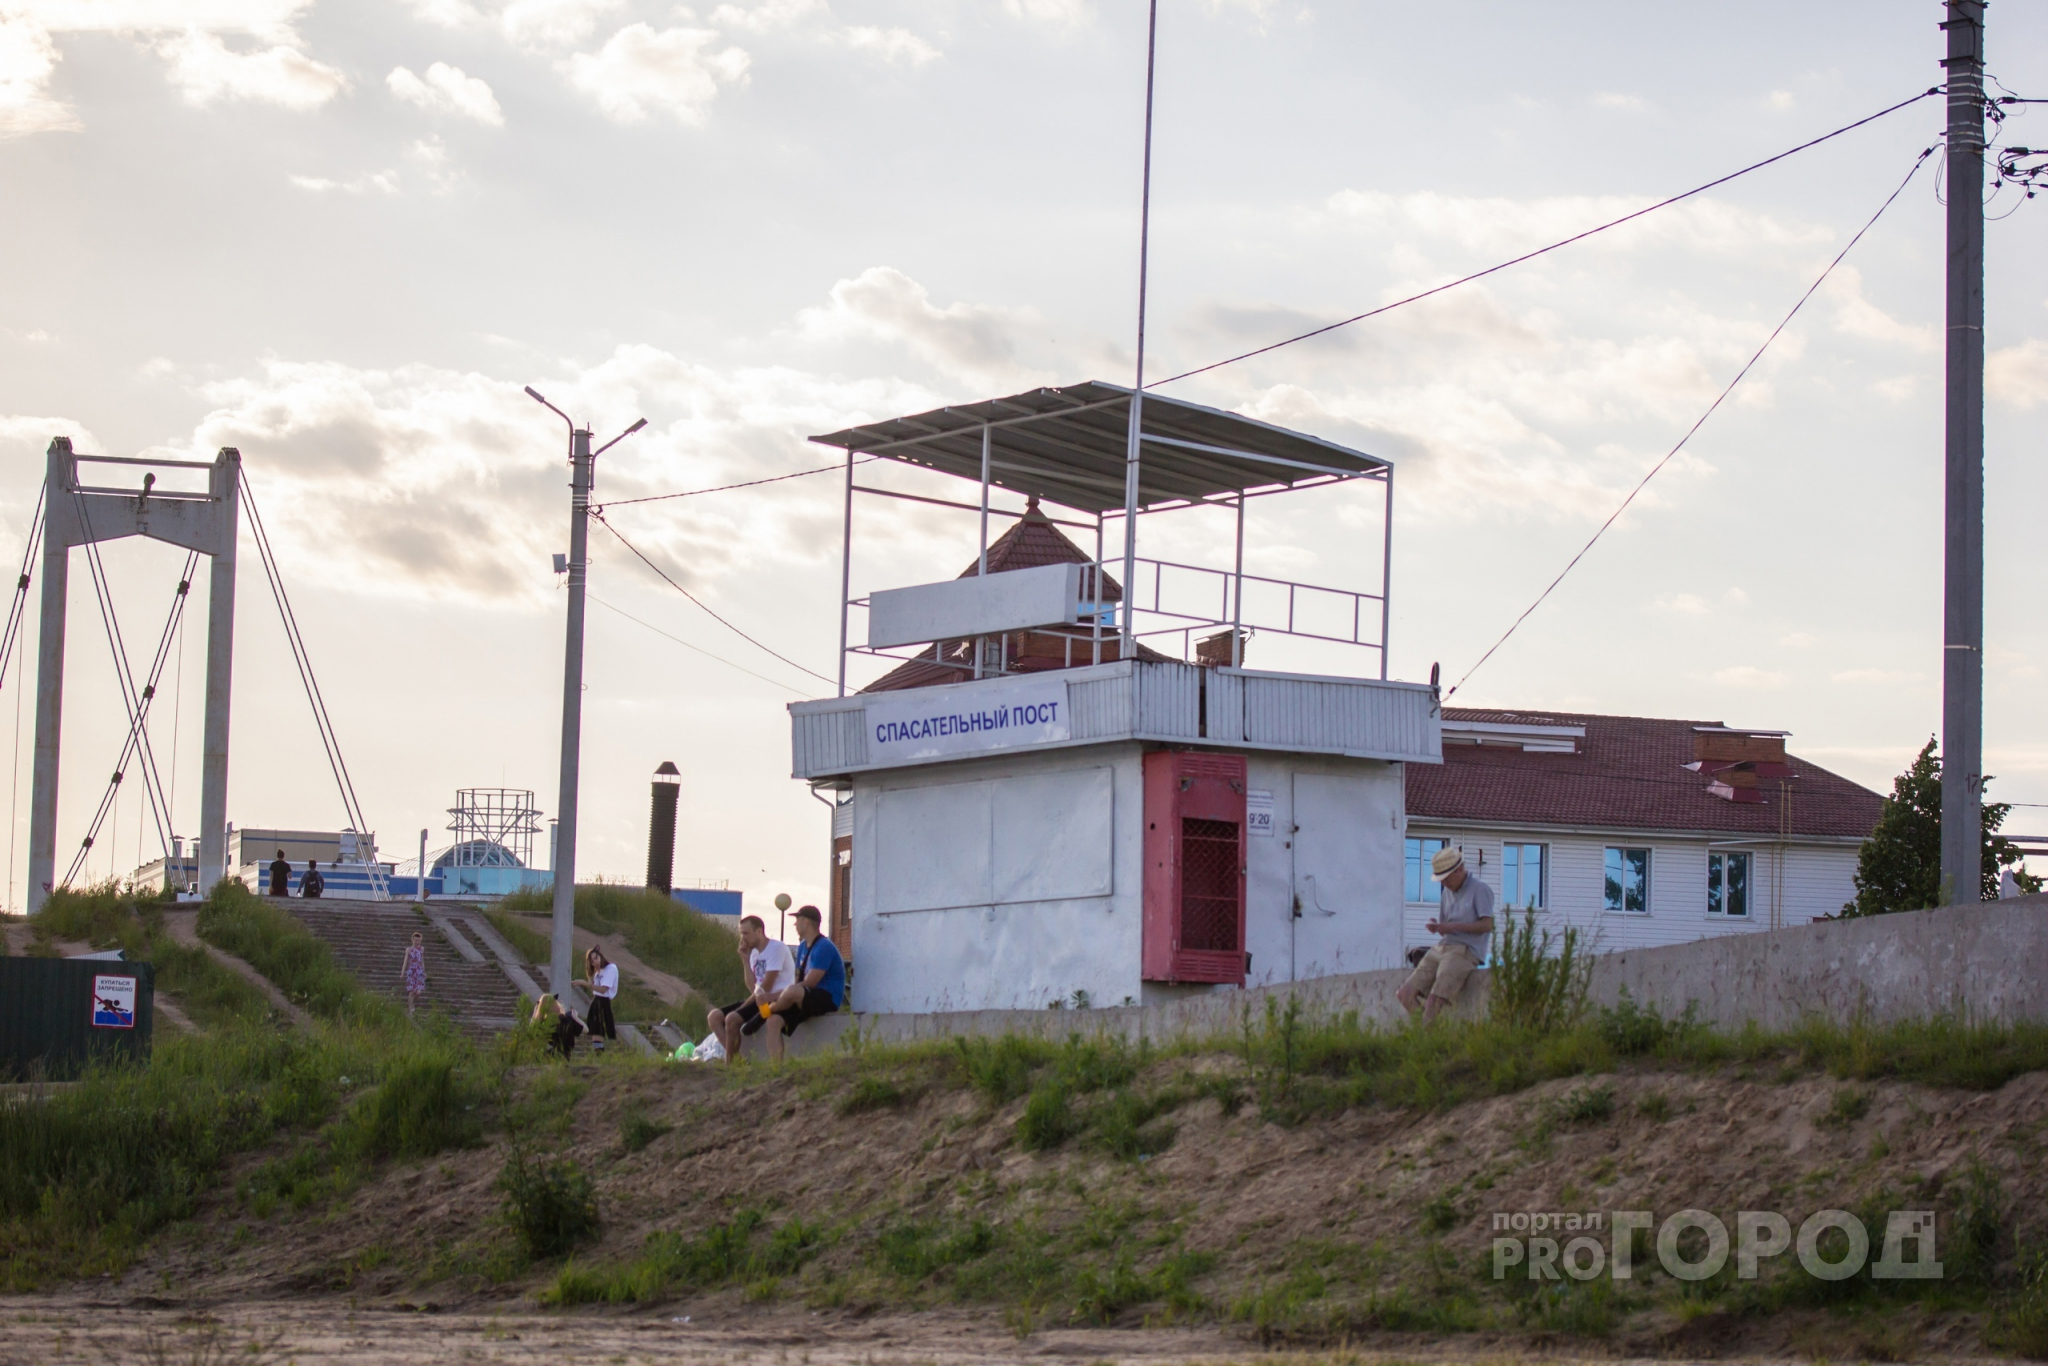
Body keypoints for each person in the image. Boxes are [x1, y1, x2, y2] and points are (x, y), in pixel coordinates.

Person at [1396, 846, 1494, 1023]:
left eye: (1446, 878)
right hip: (1443, 946)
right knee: (1405, 994)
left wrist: (1455, 926)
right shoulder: (1447, 893)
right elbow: (1447, 925)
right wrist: (1438, 926)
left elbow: (1488, 925)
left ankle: (1428, 1040)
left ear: (1459, 870)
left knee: (1433, 1002)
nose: (1444, 884)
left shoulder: (1480, 889)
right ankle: (1428, 1034)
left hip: (1465, 951)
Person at [706, 915, 792, 1064]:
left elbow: (766, 986)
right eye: (741, 934)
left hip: (775, 999)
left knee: (732, 1019)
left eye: (746, 933)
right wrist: (745, 959)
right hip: (759, 997)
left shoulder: (776, 948)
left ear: (759, 931)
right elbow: (753, 987)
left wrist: (742, 1008)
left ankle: (730, 1064)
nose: (743, 938)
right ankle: (738, 1060)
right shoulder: (754, 954)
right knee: (714, 1017)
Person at [764, 905, 845, 1061]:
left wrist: (778, 997)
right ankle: (775, 1067)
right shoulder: (801, 948)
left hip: (826, 997)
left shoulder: (824, 947)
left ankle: (771, 1008)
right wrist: (783, 994)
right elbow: (798, 979)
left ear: (806, 922)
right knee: (773, 1022)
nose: (795, 925)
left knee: (792, 992)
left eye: (797, 920)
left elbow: (810, 982)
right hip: (804, 997)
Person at [575, 946, 619, 1052]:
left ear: (600, 956)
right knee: (595, 1031)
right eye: (592, 961)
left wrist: (585, 984)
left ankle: (601, 1055)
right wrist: (590, 975)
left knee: (598, 1031)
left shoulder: (611, 968)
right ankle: (599, 1055)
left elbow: (603, 990)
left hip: (603, 1001)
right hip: (596, 1001)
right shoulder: (598, 972)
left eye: (596, 958)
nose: (595, 962)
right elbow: (594, 989)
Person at [533, 993, 586, 1058]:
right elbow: (586, 1030)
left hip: (550, 1055)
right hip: (566, 1055)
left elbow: (531, 1032)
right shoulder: (566, 1019)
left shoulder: (544, 1023)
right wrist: (576, 1018)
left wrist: (536, 1012)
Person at [401, 930, 428, 1017]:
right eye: (416, 940)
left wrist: (424, 971)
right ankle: (410, 1009)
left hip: (419, 971)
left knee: (418, 992)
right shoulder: (409, 949)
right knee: (411, 991)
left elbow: (422, 961)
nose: (417, 942)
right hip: (411, 971)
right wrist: (402, 972)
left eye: (418, 940)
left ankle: (412, 1004)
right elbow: (405, 961)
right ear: (413, 940)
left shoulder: (422, 949)